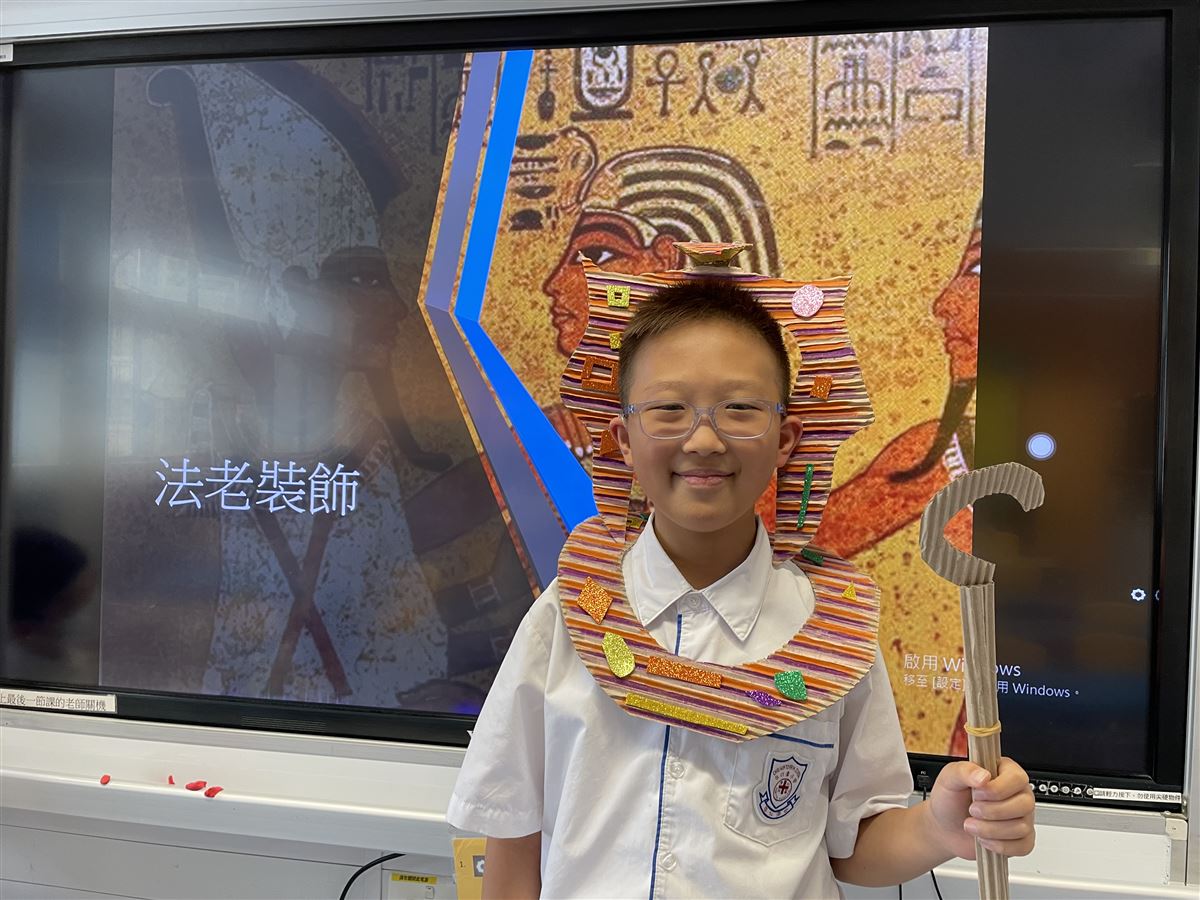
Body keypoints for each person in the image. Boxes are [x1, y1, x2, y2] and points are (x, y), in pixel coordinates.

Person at [446, 277, 1034, 898]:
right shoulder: (565, 617)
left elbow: (855, 843)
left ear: (785, 439)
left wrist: (940, 827)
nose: (704, 440)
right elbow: (513, 832)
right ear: (623, 440)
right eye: (668, 409)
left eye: (741, 409)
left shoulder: (829, 638)